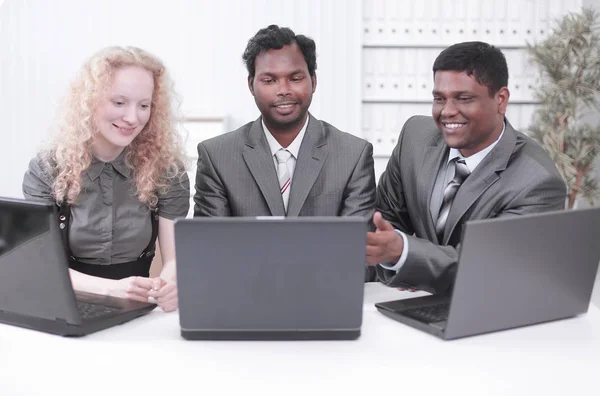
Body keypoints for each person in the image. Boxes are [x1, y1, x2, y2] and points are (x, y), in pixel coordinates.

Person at [366, 41, 566, 294]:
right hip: (410, 306)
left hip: (490, 313)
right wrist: (398, 259)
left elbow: (488, 266)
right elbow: (385, 219)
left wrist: (405, 254)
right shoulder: (415, 137)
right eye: (439, 98)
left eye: (464, 98)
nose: (447, 111)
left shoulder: (537, 182)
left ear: (501, 100)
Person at [23, 46, 190, 312]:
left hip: (140, 307)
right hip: (64, 306)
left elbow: (174, 260)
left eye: (144, 105)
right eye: (119, 102)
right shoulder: (47, 169)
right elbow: (44, 264)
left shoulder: (168, 170)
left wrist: (167, 285)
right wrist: (113, 289)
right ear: (90, 101)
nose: (132, 118)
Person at [194, 26, 375, 222]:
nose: (284, 90)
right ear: (251, 85)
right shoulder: (217, 157)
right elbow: (212, 246)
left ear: (313, 81)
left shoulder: (353, 156)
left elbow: (355, 246)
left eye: (295, 79)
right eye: (269, 80)